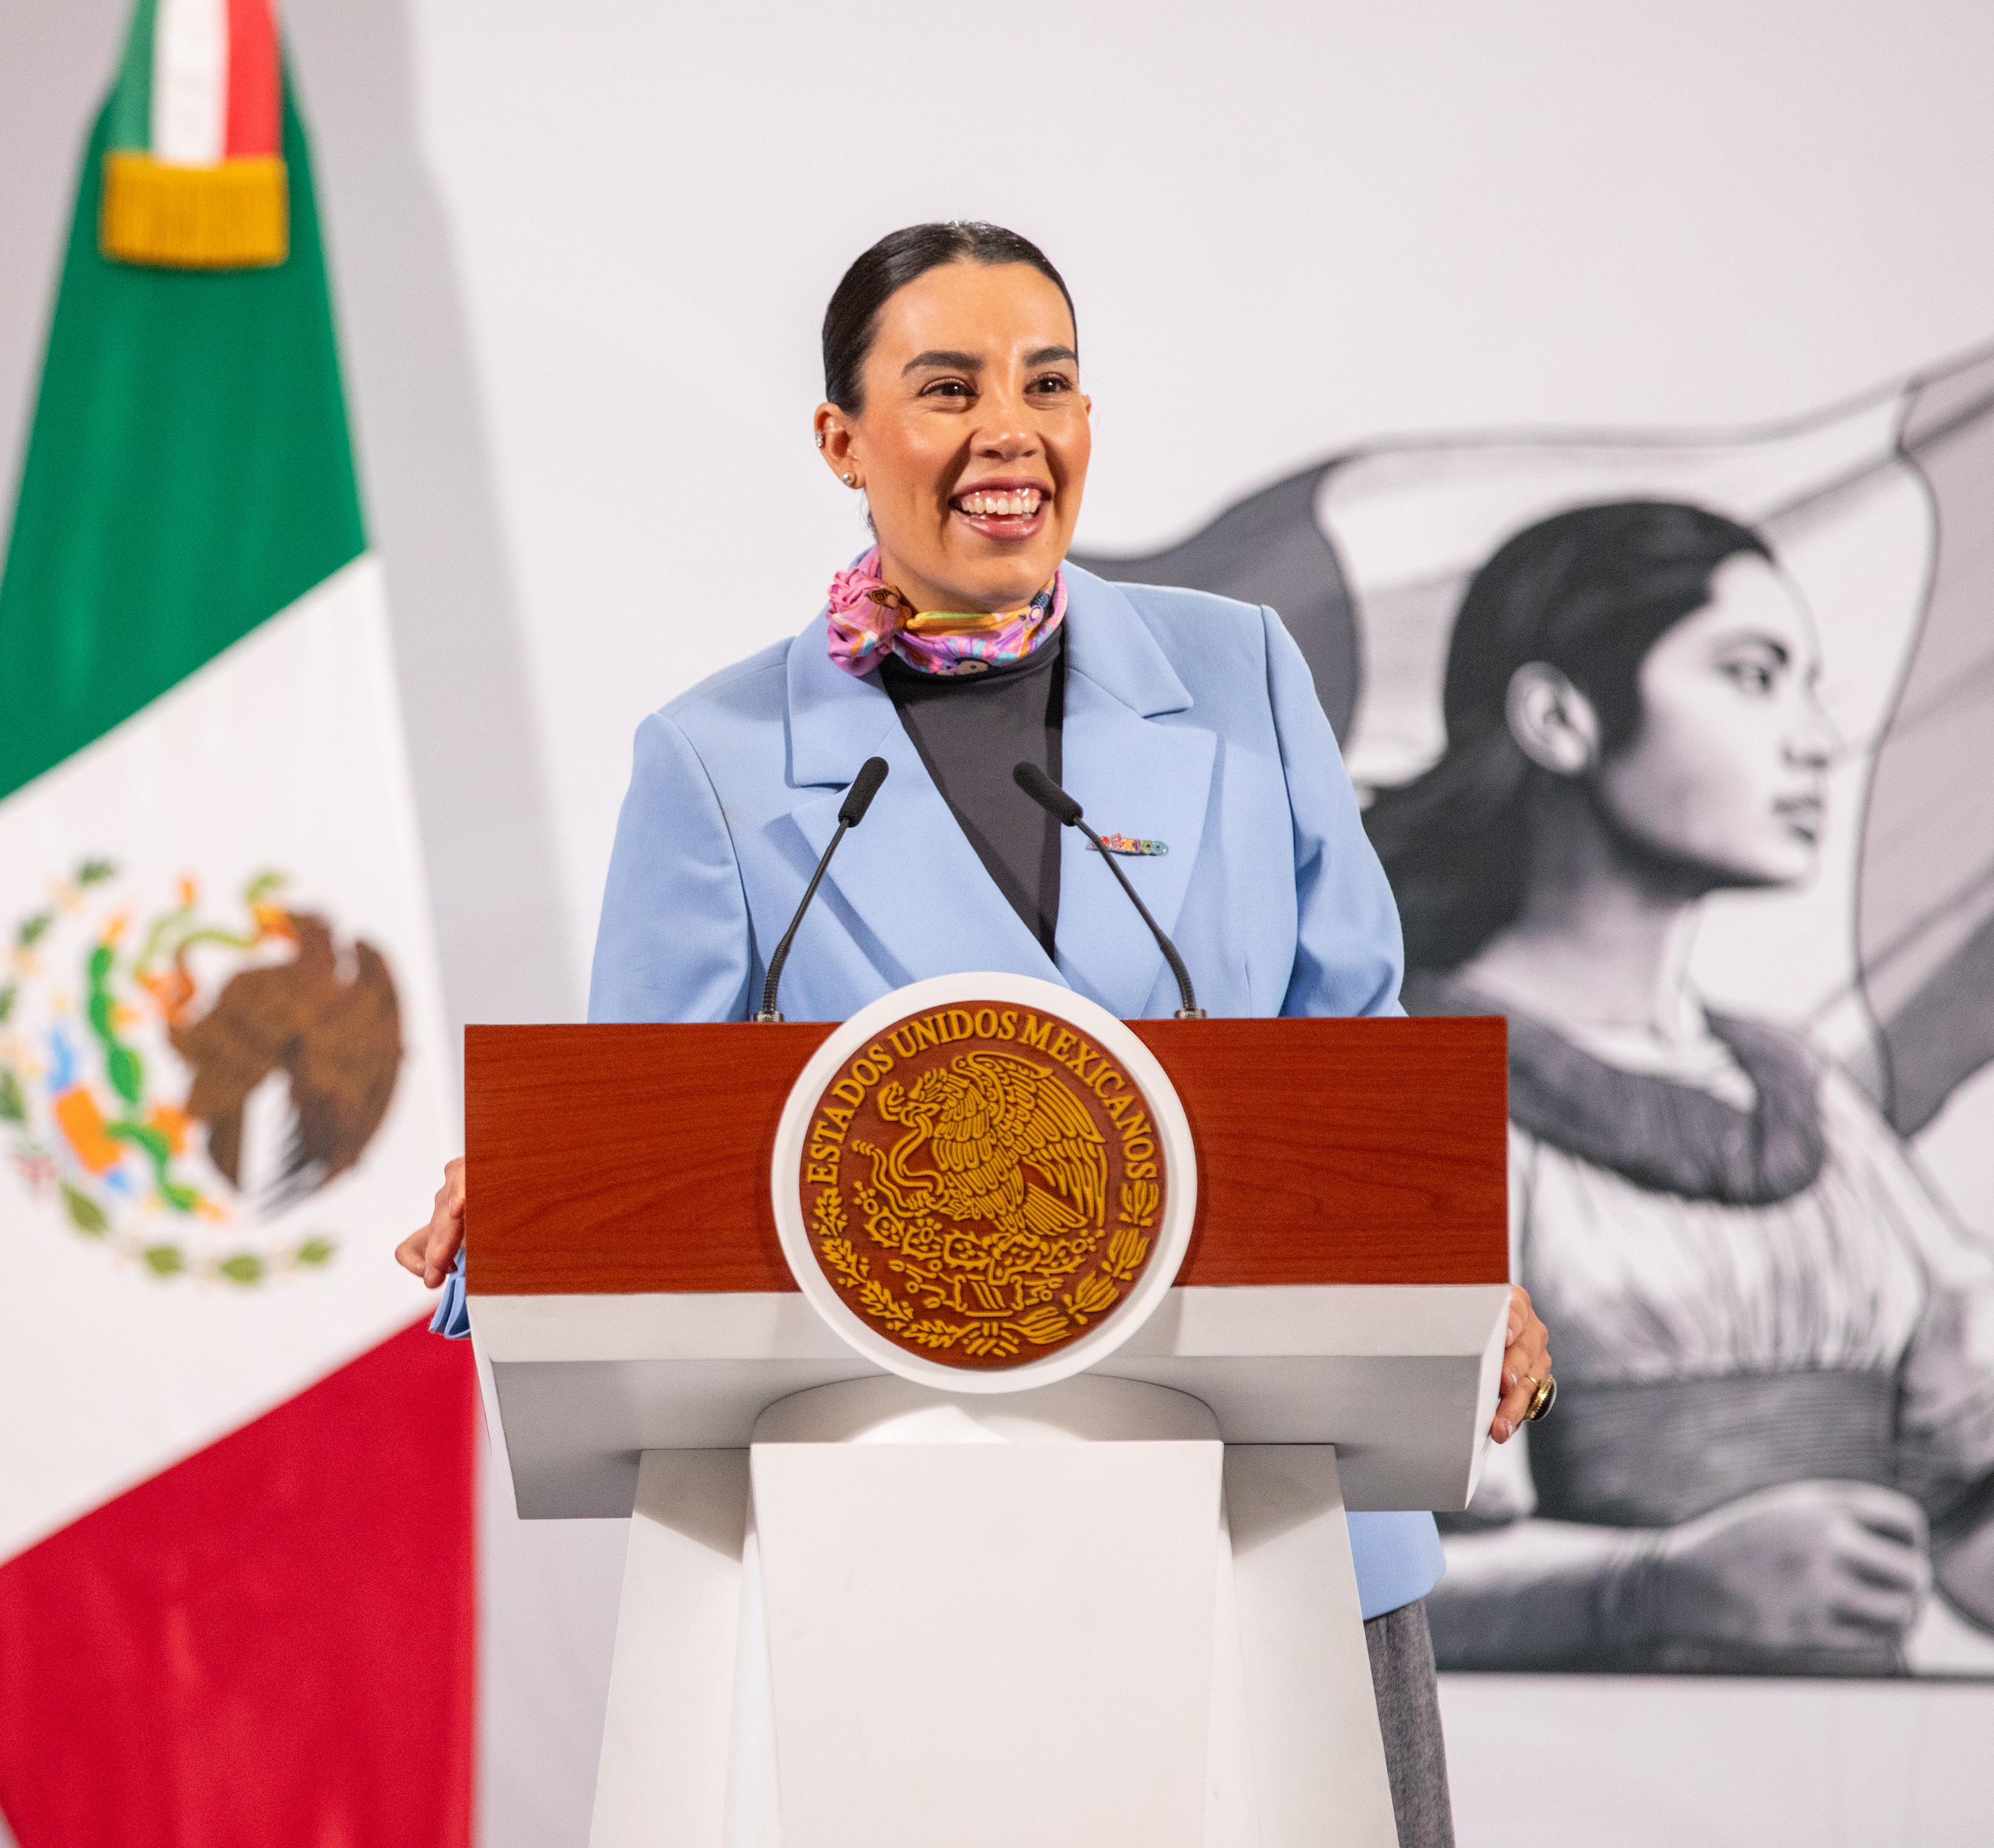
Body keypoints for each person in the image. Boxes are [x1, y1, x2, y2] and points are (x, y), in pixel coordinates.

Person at [396, 222, 1553, 1847]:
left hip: (1268, 1509)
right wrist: (522, 1203)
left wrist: (1459, 1264)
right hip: (888, 1553)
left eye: (1047, 384)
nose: (1010, 431)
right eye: (947, 389)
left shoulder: (1239, 678)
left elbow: (1357, 1045)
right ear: (841, 440)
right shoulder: (718, 762)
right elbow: (643, 1147)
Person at [1370, 499, 1994, 1675]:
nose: (1816, 740)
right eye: (1752, 676)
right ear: (1560, 717)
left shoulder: (1803, 1092)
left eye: (1809, 687)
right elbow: (1365, 1569)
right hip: (1575, 1762)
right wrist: (1651, 1584)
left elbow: (1961, 1533)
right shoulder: (1418, 1090)